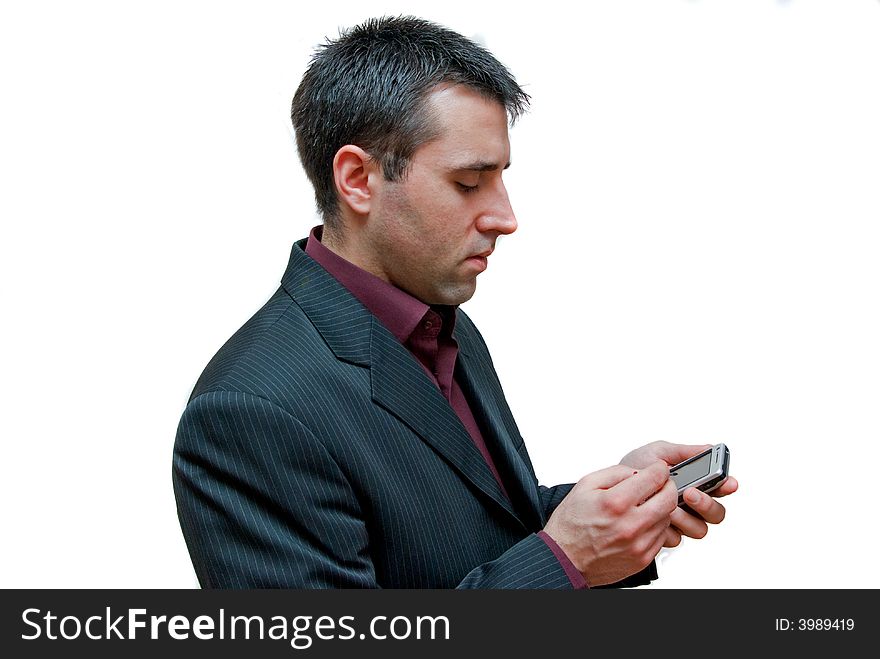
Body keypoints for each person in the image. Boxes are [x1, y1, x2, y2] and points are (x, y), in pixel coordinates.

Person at [172, 15, 738, 589]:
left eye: (500, 179)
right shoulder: (248, 410)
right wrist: (568, 559)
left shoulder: (446, 328)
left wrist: (616, 509)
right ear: (357, 179)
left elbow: (474, 534)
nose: (506, 218)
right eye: (469, 183)